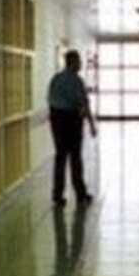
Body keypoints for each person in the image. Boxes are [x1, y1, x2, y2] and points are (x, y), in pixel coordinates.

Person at [47, 50, 97, 206]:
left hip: (57, 120)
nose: (81, 63)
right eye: (79, 61)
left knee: (60, 157)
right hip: (72, 120)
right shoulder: (76, 80)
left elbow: (50, 99)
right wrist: (91, 124)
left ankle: (57, 196)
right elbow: (84, 103)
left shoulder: (56, 79)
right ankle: (80, 195)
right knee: (75, 158)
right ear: (73, 62)